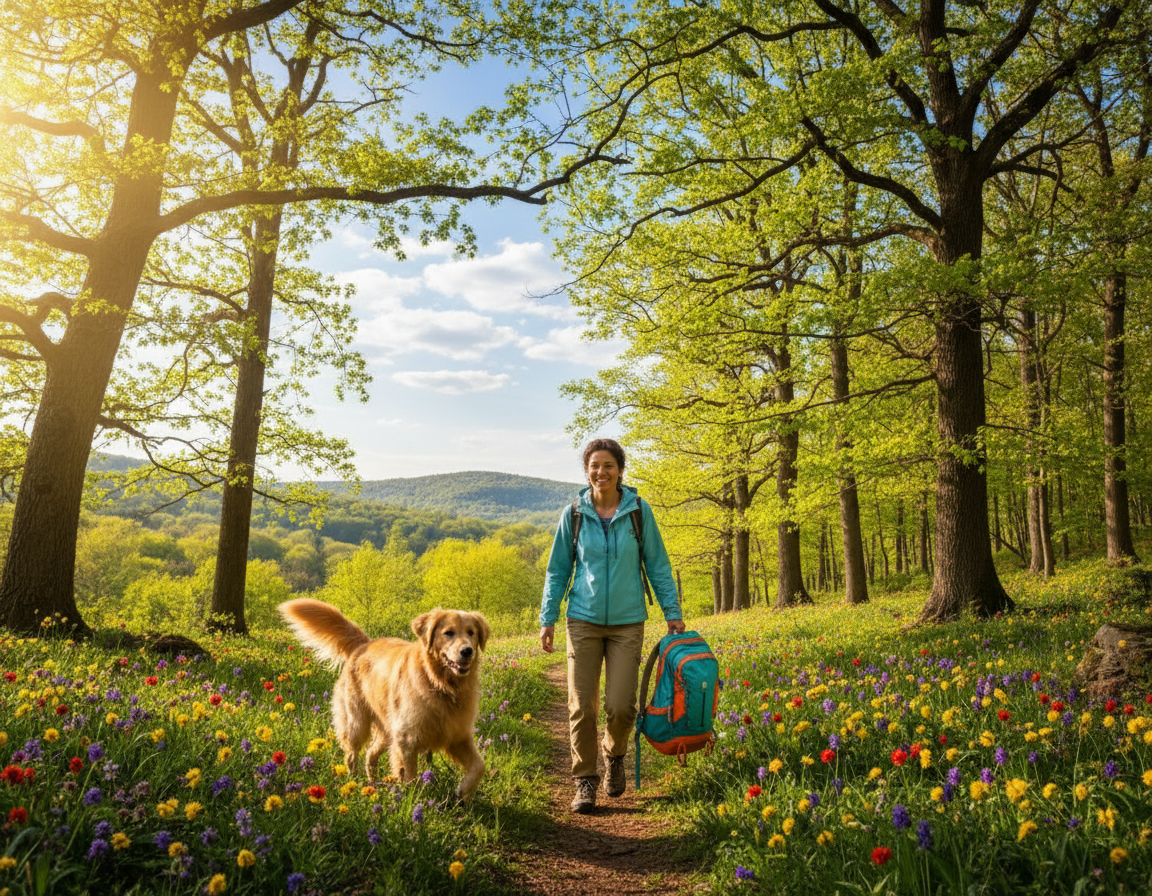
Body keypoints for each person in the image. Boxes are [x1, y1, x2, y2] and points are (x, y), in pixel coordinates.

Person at [539, 437, 685, 814]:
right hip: (582, 620)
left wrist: (672, 612)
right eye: (594, 466)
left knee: (621, 708)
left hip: (627, 622)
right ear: (586, 471)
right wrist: (548, 618)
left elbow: (658, 564)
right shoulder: (573, 513)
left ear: (620, 470)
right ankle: (585, 780)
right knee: (581, 707)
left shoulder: (638, 511)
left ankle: (614, 755)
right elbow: (557, 571)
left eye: (608, 466)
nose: (600, 472)